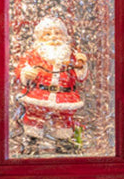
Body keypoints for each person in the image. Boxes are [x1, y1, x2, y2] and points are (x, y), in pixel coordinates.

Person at [13, 16, 88, 154]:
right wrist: (26, 72)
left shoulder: (71, 56)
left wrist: (81, 65)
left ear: (65, 36)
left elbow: (80, 77)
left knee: (64, 121)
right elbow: (21, 69)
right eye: (47, 34)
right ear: (39, 38)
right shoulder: (34, 54)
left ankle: (63, 145)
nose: (53, 37)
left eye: (57, 33)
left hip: (64, 96)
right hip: (39, 95)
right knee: (34, 118)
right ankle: (31, 144)